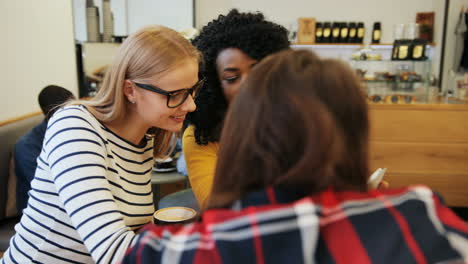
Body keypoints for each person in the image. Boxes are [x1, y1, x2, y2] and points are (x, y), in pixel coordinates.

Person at [122, 49, 468, 263]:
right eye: (231, 76)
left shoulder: (170, 251)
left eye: (254, 73)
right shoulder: (423, 216)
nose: (242, 86)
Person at [1, 25, 202, 263]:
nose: (191, 105)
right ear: (130, 90)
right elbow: (113, 251)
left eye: (192, 91)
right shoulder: (75, 126)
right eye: (175, 94)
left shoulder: (142, 142)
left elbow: (133, 230)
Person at [183, 9, 290, 209]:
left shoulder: (296, 123)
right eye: (232, 78)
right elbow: (216, 206)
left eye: (258, 70)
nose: (249, 84)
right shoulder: (201, 138)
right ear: (214, 86)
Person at [14, 85, 75, 213]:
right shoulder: (27, 146)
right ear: (49, 113)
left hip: (69, 200)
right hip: (39, 211)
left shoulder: (72, 130)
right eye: (69, 110)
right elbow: (47, 188)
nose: (76, 114)